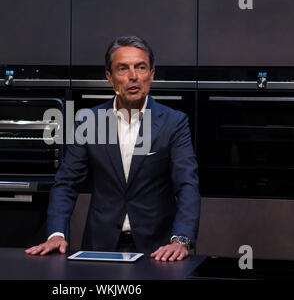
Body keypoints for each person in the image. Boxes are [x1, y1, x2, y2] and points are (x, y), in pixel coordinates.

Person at [26, 36, 200, 262]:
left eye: (141, 67)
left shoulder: (174, 122)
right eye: (123, 68)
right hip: (100, 246)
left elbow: (187, 184)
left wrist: (181, 240)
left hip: (159, 250)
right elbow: (67, 183)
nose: (133, 76)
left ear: (151, 74)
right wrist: (56, 234)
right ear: (109, 77)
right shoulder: (88, 122)